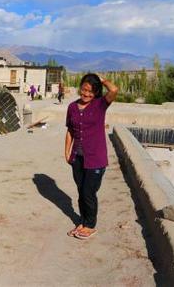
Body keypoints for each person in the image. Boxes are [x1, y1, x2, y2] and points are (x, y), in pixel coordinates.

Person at [64, 73, 118, 240]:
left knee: (88, 192)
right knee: (81, 191)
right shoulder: (72, 107)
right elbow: (70, 131)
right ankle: (83, 220)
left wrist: (102, 81)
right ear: (80, 87)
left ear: (96, 92)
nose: (86, 94)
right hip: (77, 158)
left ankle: (90, 225)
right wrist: (67, 152)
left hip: (96, 158)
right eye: (84, 90)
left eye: (90, 91)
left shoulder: (100, 105)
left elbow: (114, 90)